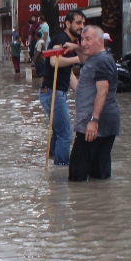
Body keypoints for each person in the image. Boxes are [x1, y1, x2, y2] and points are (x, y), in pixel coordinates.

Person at [62, 25, 121, 181]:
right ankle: (98, 202)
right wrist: (77, 48)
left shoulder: (102, 61)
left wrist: (94, 121)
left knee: (76, 175)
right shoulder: (97, 58)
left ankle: (82, 203)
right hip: (102, 122)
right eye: (82, 39)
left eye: (88, 39)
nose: (84, 43)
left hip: (94, 123)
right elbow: (85, 60)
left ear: (100, 41)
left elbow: (103, 91)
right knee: (99, 174)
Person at [39, 10, 85, 167]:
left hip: (54, 92)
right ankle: (62, 168)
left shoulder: (69, 42)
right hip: (53, 93)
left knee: (59, 134)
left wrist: (80, 91)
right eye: (78, 23)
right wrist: (79, 57)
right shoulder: (62, 39)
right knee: (65, 134)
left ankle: (54, 167)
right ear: (68, 24)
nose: (81, 27)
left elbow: (67, 72)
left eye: (83, 23)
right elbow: (54, 61)